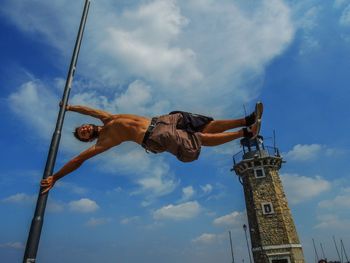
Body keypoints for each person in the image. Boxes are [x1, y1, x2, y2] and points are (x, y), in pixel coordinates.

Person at [40, 102, 263, 194]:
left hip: (163, 120)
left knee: (204, 124)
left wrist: (69, 107)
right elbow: (78, 161)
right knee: (199, 138)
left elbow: (88, 111)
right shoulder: (103, 142)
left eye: (84, 128)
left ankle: (246, 120)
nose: (86, 129)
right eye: (84, 134)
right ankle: (246, 133)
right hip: (154, 136)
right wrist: (56, 177)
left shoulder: (107, 118)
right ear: (88, 139)